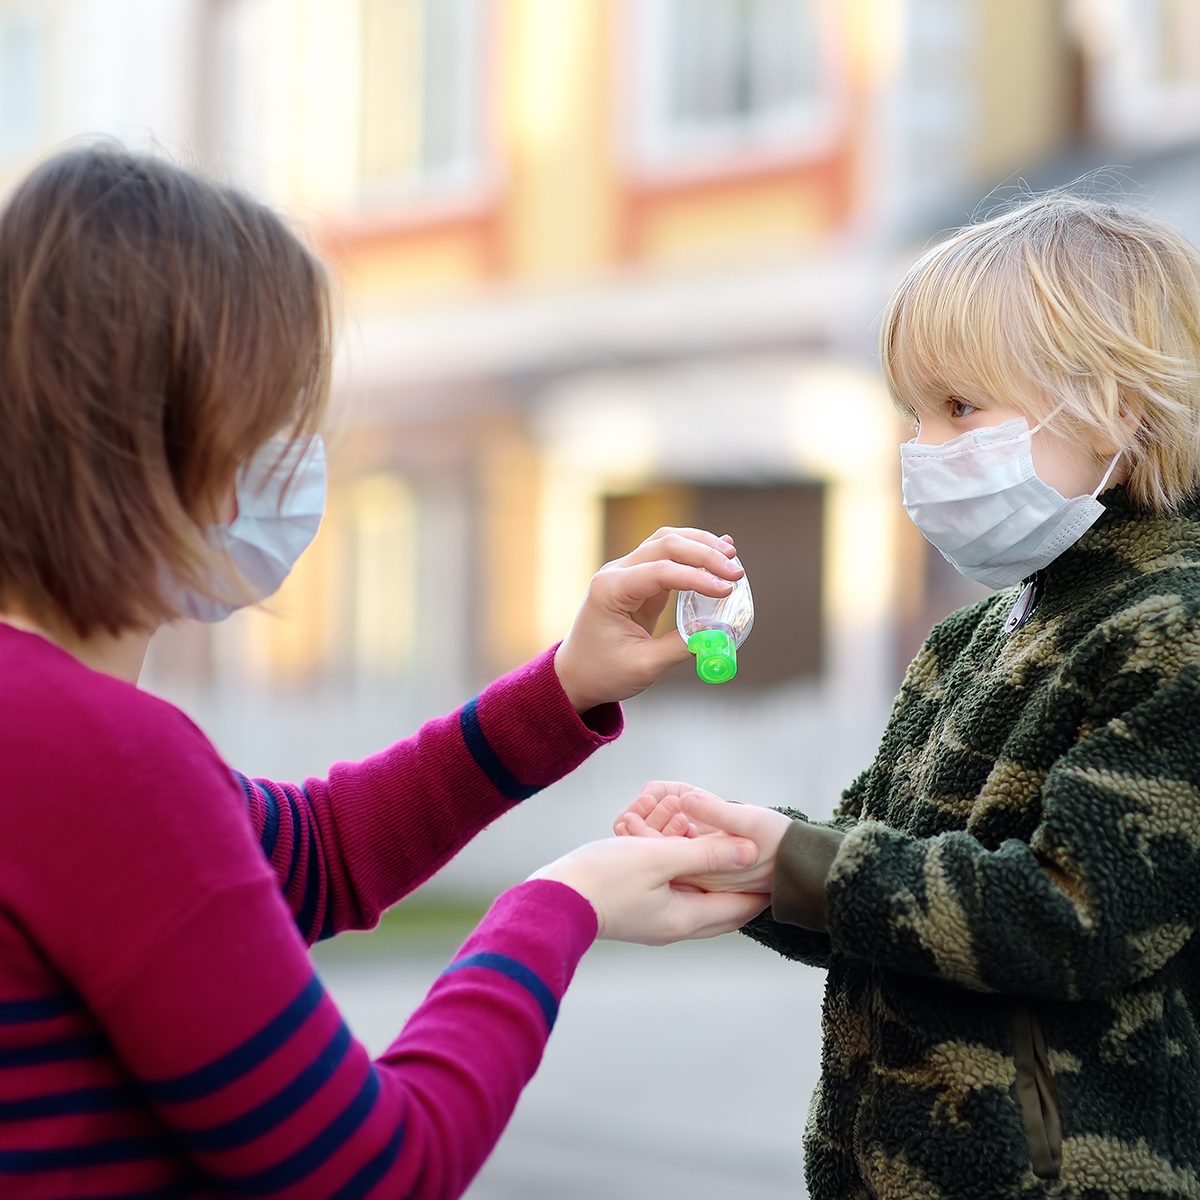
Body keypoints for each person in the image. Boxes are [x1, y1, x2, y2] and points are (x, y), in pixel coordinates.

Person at [0, 144, 768, 1199]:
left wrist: (564, 687)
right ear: (170, 434)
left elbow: (313, 854)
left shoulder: (54, 734)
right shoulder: (98, 758)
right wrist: (563, 900)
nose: (301, 454)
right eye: (278, 415)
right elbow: (380, 1171)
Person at [617, 192, 1200, 1199]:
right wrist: (748, 860)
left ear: (1118, 405)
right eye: (913, 415)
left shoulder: (1172, 629)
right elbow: (878, 876)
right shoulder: (967, 641)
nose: (925, 448)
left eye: (960, 408)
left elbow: (1077, 914)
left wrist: (802, 861)